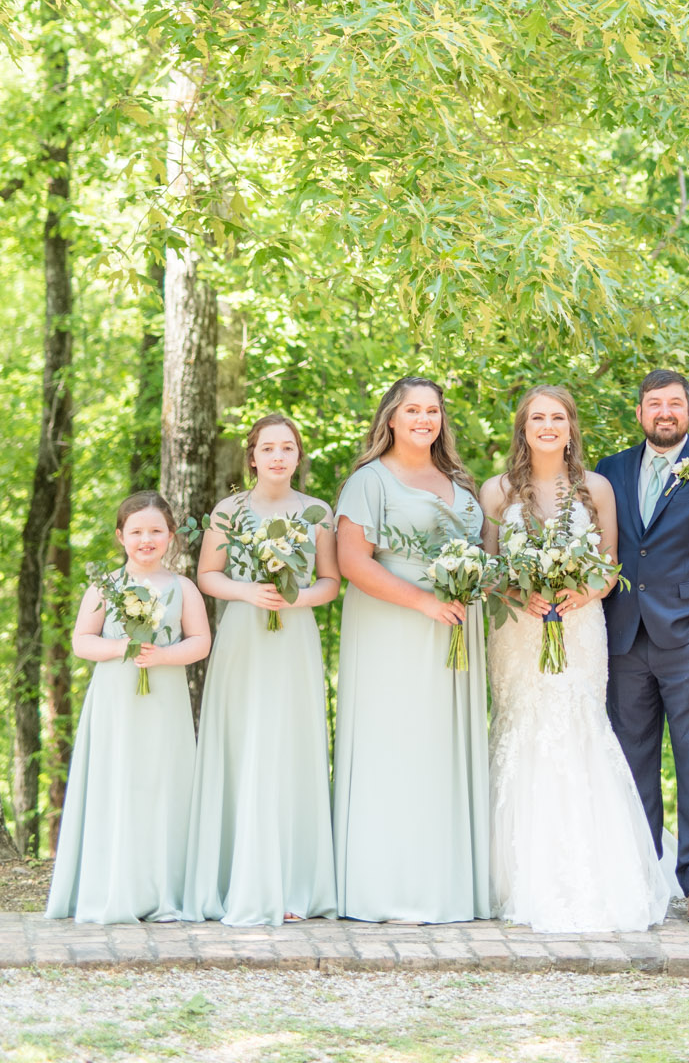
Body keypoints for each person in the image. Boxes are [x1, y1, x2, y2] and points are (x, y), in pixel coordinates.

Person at [480, 385, 673, 933]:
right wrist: (520, 595)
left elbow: (611, 565)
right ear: (523, 427)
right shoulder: (497, 490)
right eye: (537, 417)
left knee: (579, 729)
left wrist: (581, 594)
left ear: (570, 427)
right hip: (519, 629)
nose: (547, 425)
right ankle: (517, 874)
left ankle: (593, 871)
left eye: (557, 417)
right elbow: (491, 565)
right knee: (524, 730)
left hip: (580, 624)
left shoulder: (597, 488)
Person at [595, 368, 689, 923]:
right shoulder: (608, 472)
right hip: (623, 637)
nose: (665, 412)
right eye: (654, 403)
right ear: (639, 412)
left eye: (675, 404)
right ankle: (642, 873)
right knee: (630, 761)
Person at [333, 376, 490, 922]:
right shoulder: (370, 482)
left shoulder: (458, 482)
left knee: (440, 749)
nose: (424, 419)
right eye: (412, 410)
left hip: (454, 630)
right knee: (396, 746)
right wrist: (423, 603)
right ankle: (389, 888)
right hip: (393, 629)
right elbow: (354, 562)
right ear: (391, 419)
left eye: (433, 410)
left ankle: (444, 886)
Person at [184, 413, 339, 925]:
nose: (277, 457)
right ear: (252, 457)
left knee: (289, 745)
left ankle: (293, 886)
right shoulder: (229, 510)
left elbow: (330, 582)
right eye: (267, 448)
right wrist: (249, 591)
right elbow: (207, 576)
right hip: (243, 638)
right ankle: (234, 882)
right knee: (242, 742)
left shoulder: (317, 512)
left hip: (294, 639)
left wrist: (295, 601)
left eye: (287, 448)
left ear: (298, 456)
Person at [47, 492, 211, 923]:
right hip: (117, 700)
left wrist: (162, 656)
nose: (146, 540)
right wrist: (123, 646)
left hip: (165, 700)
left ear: (171, 536)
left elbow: (200, 642)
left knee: (162, 783)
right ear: (121, 536)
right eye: (136, 531)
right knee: (118, 781)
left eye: (156, 531)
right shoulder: (106, 586)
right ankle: (112, 885)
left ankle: (163, 889)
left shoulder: (183, 587)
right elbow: (82, 641)